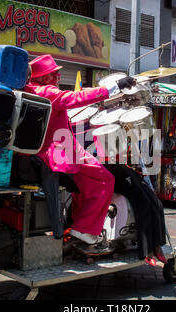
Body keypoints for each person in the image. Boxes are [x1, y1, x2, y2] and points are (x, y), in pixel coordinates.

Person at [24, 54, 136, 245]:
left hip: (51, 150)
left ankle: (77, 222)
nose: (58, 78)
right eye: (54, 75)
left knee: (84, 188)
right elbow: (77, 97)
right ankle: (84, 229)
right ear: (42, 78)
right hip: (59, 152)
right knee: (105, 180)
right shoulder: (46, 92)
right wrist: (115, 87)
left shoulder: (29, 90)